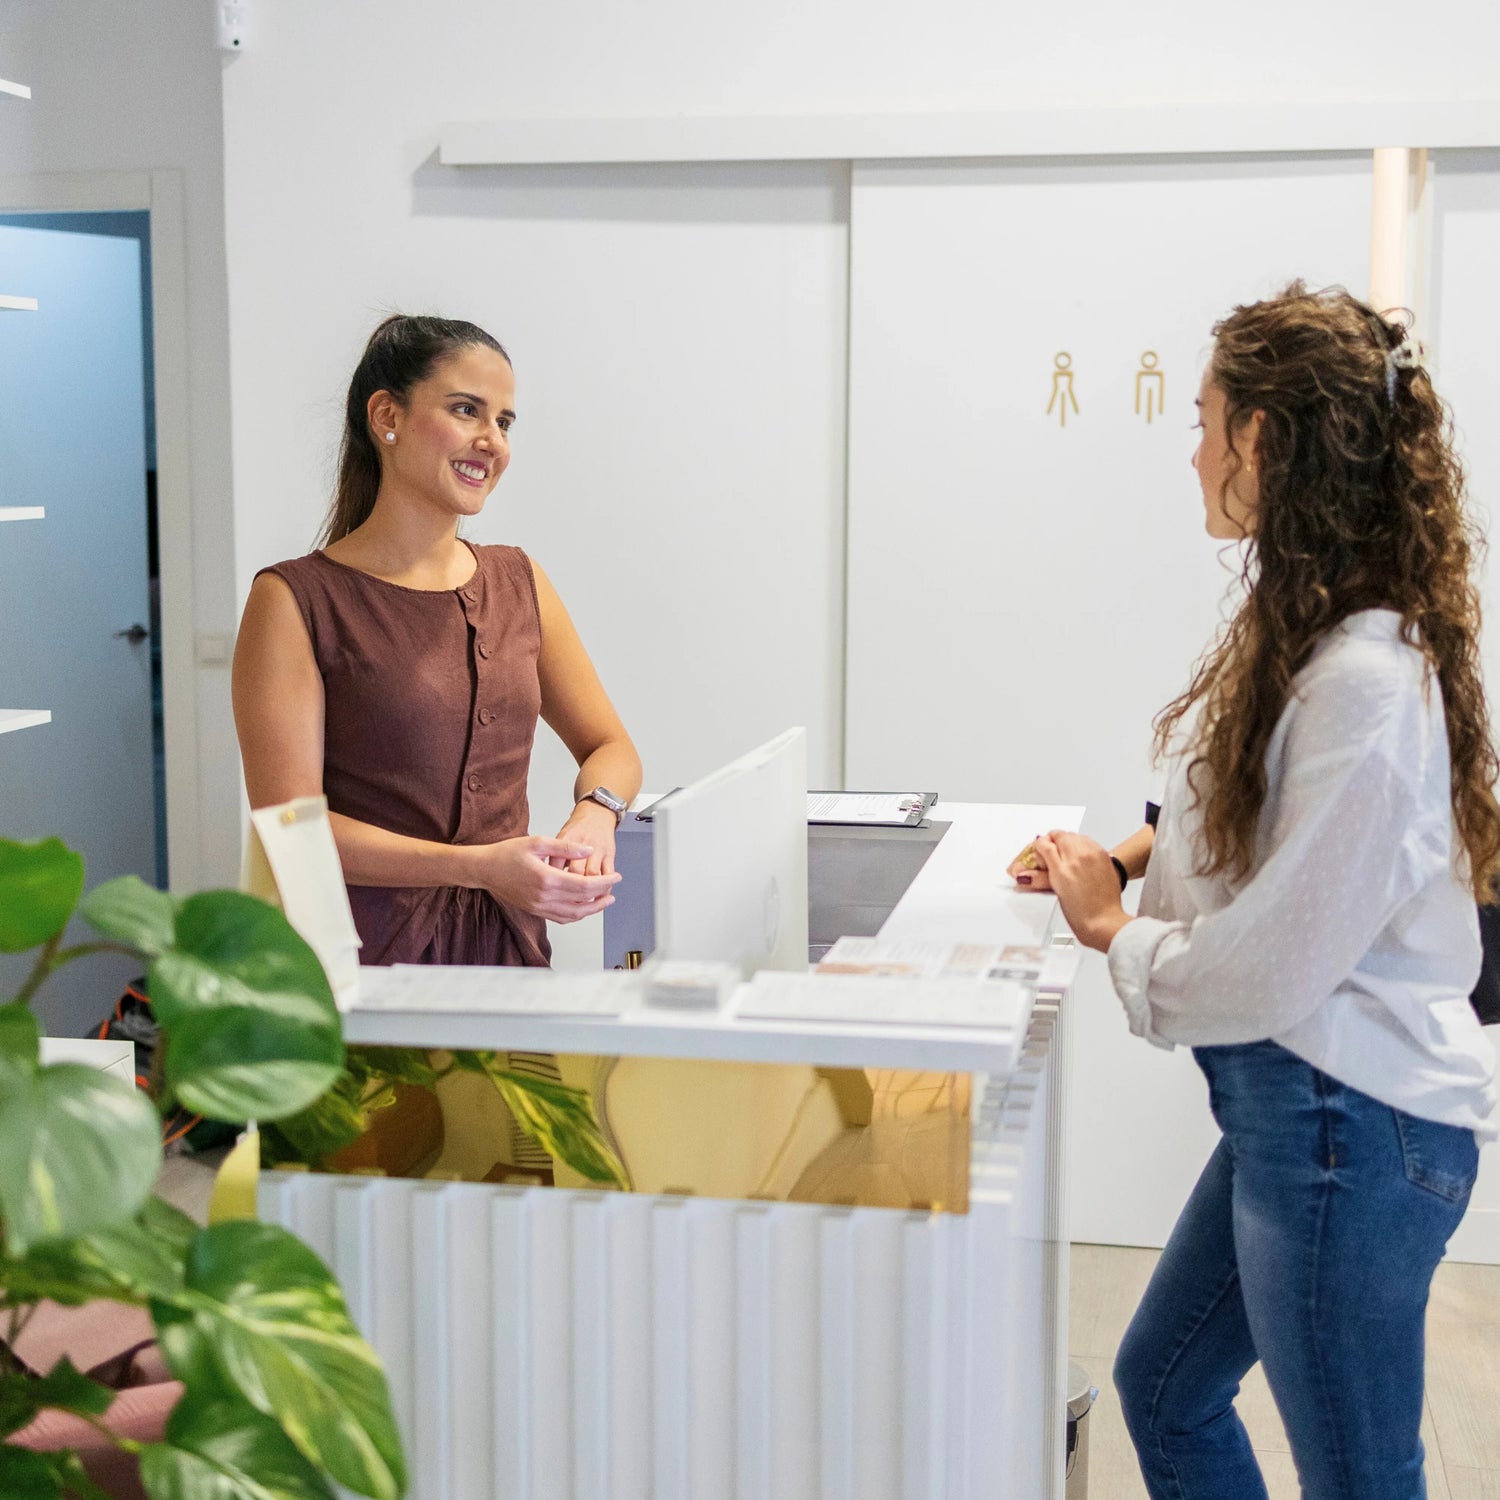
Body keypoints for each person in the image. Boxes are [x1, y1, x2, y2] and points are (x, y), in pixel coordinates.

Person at [1011, 284, 1499, 1500]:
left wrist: (1113, 933)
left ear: (1267, 440)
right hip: (1305, 1121)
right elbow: (1258, 837)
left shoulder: (1368, 679)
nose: (1191, 452)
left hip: (1349, 1131)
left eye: (1204, 421)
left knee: (1360, 1476)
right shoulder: (1312, 637)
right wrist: (1124, 859)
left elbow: (1272, 963)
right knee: (1165, 1393)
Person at [233, 313, 640, 973]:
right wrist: (480, 868)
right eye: (466, 410)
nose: (493, 442)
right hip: (357, 966)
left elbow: (611, 748)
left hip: (508, 953)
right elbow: (293, 833)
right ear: (386, 416)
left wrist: (596, 814)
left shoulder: (520, 581)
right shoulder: (293, 601)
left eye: (504, 422)